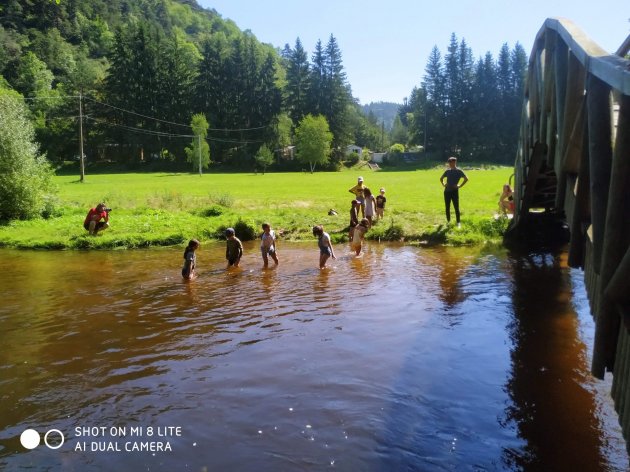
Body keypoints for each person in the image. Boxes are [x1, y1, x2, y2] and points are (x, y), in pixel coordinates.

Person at [439, 157, 468, 226]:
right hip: (446, 192)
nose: (449, 163)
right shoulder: (447, 171)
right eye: (449, 162)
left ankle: (458, 223)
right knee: (447, 207)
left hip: (454, 191)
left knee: (456, 207)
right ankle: (448, 221)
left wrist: (459, 186)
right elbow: (441, 178)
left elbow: (466, 179)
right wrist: (443, 184)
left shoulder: (459, 171)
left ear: (454, 162)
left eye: (450, 162)